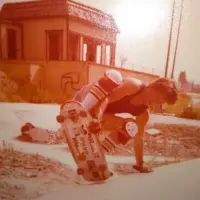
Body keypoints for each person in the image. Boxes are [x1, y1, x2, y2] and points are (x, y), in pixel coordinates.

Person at [21, 69, 178, 173]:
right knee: (107, 86)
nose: (159, 105)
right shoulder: (133, 86)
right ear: (155, 88)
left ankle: (96, 154)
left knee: (131, 127)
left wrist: (140, 164)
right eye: (160, 100)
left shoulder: (143, 114)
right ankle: (84, 116)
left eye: (162, 104)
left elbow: (139, 139)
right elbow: (106, 97)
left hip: (98, 114)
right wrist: (96, 117)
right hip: (90, 99)